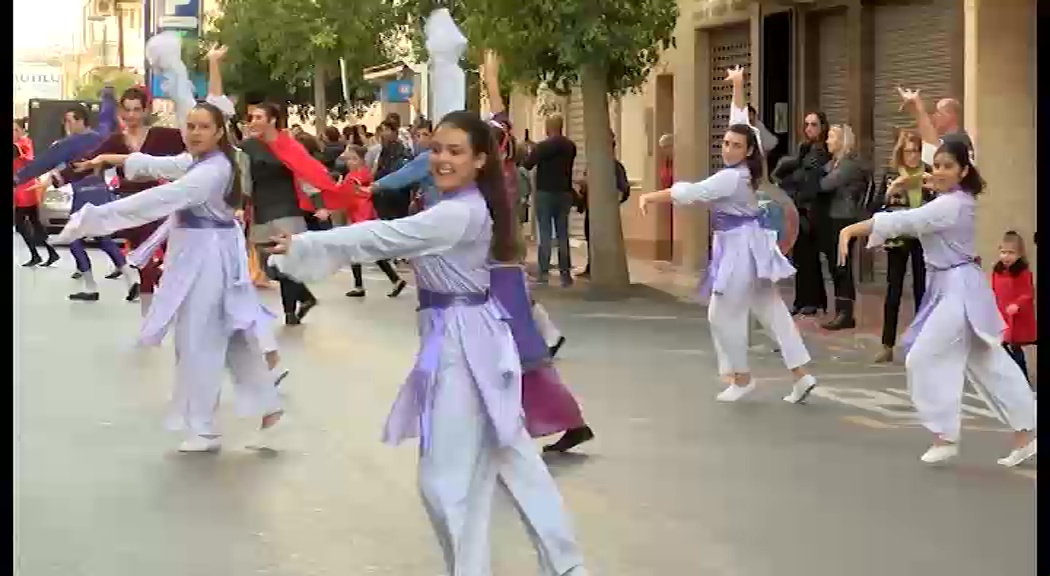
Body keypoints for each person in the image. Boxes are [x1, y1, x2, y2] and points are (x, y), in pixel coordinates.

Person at [268, 109, 588, 576]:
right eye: (436, 148)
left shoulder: (458, 213)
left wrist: (307, 246)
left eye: (455, 151)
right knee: (512, 460)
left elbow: (385, 236)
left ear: (480, 160)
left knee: (446, 479)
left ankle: (529, 567)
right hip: (465, 336)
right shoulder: (459, 204)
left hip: (465, 343)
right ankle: (564, 566)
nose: (440, 158)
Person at [58, 102, 284, 453]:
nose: (194, 133)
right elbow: (157, 164)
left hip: (208, 258)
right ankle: (265, 402)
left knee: (200, 340)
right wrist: (109, 160)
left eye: (202, 127)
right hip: (203, 252)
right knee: (226, 335)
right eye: (190, 126)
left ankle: (206, 428)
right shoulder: (199, 162)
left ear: (220, 132)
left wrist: (96, 217)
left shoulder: (212, 171)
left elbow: (164, 196)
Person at [836, 141, 1036, 466]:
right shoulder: (953, 198)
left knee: (923, 357)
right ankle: (1025, 433)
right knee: (989, 363)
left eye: (947, 166)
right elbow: (934, 160)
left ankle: (945, 435)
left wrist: (850, 230)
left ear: (964, 171)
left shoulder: (951, 206)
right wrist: (917, 113)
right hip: (951, 286)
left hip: (958, 290)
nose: (939, 171)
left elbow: (904, 221)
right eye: (937, 166)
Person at [637, 65, 816, 404]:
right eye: (726, 143)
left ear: (748, 150)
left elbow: (691, 192)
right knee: (771, 311)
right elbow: (742, 123)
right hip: (750, 246)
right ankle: (802, 375)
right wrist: (738, 86)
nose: (728, 148)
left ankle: (742, 377)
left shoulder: (731, 178)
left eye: (735, 145)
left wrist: (651, 196)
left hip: (739, 250)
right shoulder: (746, 168)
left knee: (722, 314)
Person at [482, 49, 593, 451]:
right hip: (497, 264)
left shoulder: (496, 176)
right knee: (513, 352)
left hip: (499, 265)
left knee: (517, 351)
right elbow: (500, 119)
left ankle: (514, 425)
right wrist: (492, 83)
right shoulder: (498, 170)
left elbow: (499, 122)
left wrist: (493, 83)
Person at [239, 102, 347, 326]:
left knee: (284, 260)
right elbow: (244, 180)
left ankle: (290, 314)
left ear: (272, 121)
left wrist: (319, 205)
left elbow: (305, 175)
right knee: (268, 264)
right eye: (252, 118)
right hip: (261, 210)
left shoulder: (289, 146)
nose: (253, 122)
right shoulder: (248, 147)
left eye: (259, 117)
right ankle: (305, 296)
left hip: (287, 210)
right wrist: (240, 206)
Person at [14, 98, 134, 301]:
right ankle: (132, 279)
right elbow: (106, 121)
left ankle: (90, 287)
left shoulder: (68, 144)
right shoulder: (101, 137)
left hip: (84, 194)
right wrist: (107, 97)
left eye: (69, 121)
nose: (67, 127)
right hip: (101, 193)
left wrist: (18, 178)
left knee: (74, 237)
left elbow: (42, 162)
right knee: (102, 238)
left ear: (80, 121)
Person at [873, 130, 933, 363]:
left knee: (921, 289)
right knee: (893, 290)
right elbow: (877, 204)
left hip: (921, 236)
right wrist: (891, 191)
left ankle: (922, 343)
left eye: (916, 151)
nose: (913, 156)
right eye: (908, 151)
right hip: (898, 237)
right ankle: (887, 345)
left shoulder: (928, 175)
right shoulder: (892, 174)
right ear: (901, 152)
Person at [772, 110, 831, 316]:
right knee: (801, 257)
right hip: (798, 209)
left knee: (810, 257)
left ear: (823, 127)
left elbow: (810, 178)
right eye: (807, 124)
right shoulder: (803, 148)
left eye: (814, 124)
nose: (809, 129)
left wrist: (795, 175)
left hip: (813, 210)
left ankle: (812, 301)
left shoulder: (823, 151)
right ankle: (803, 300)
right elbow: (786, 174)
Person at [816, 123, 869, 331]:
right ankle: (841, 310)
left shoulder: (848, 165)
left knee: (842, 266)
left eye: (831, 137)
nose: (827, 141)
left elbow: (825, 184)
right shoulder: (835, 162)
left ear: (842, 141)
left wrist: (814, 178)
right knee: (835, 266)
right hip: (833, 217)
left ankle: (846, 313)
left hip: (844, 218)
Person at [339, 144, 407, 298]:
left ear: (362, 160)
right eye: (349, 159)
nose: (350, 162)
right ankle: (394, 280)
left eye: (354, 159)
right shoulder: (355, 175)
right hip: (360, 216)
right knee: (371, 252)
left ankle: (360, 286)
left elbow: (357, 195)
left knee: (356, 251)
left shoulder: (360, 176)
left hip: (361, 217)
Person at [522, 112, 577, 287]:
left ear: (548, 128)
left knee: (544, 234)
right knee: (563, 234)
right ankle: (565, 275)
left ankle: (543, 273)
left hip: (545, 193)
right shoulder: (570, 146)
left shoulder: (542, 147)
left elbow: (527, 164)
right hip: (564, 193)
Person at [576, 130, 630, 279]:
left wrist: (613, 201)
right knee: (590, 238)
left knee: (600, 239)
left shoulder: (615, 166)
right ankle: (592, 266)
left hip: (603, 211)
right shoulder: (593, 166)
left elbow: (623, 189)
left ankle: (601, 268)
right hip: (591, 209)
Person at [13, 120, 60, 267]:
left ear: (22, 130)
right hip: (22, 188)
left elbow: (28, 159)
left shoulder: (24, 143)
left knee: (21, 225)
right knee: (35, 224)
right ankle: (49, 253)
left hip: (26, 189)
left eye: (15, 130)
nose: (12, 133)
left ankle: (37, 254)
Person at [991, 231, 1036, 385]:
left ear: (1019, 254)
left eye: (1011, 252)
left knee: (1014, 347)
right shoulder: (997, 271)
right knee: (1001, 346)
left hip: (1015, 317)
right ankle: (1011, 377)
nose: (1006, 256)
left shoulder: (1022, 272)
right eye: (1003, 252)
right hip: (1001, 316)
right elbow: (992, 289)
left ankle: (1022, 379)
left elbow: (1028, 293)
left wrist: (1017, 304)